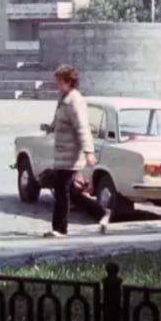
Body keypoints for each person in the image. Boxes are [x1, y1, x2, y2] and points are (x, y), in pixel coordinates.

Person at [45, 65, 109, 237]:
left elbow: (82, 128)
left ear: (68, 81)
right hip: (62, 152)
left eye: (59, 81)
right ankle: (101, 213)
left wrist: (89, 151)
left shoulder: (75, 101)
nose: (56, 84)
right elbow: (60, 121)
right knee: (70, 191)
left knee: (61, 190)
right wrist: (50, 128)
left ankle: (60, 229)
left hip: (70, 154)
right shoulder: (64, 99)